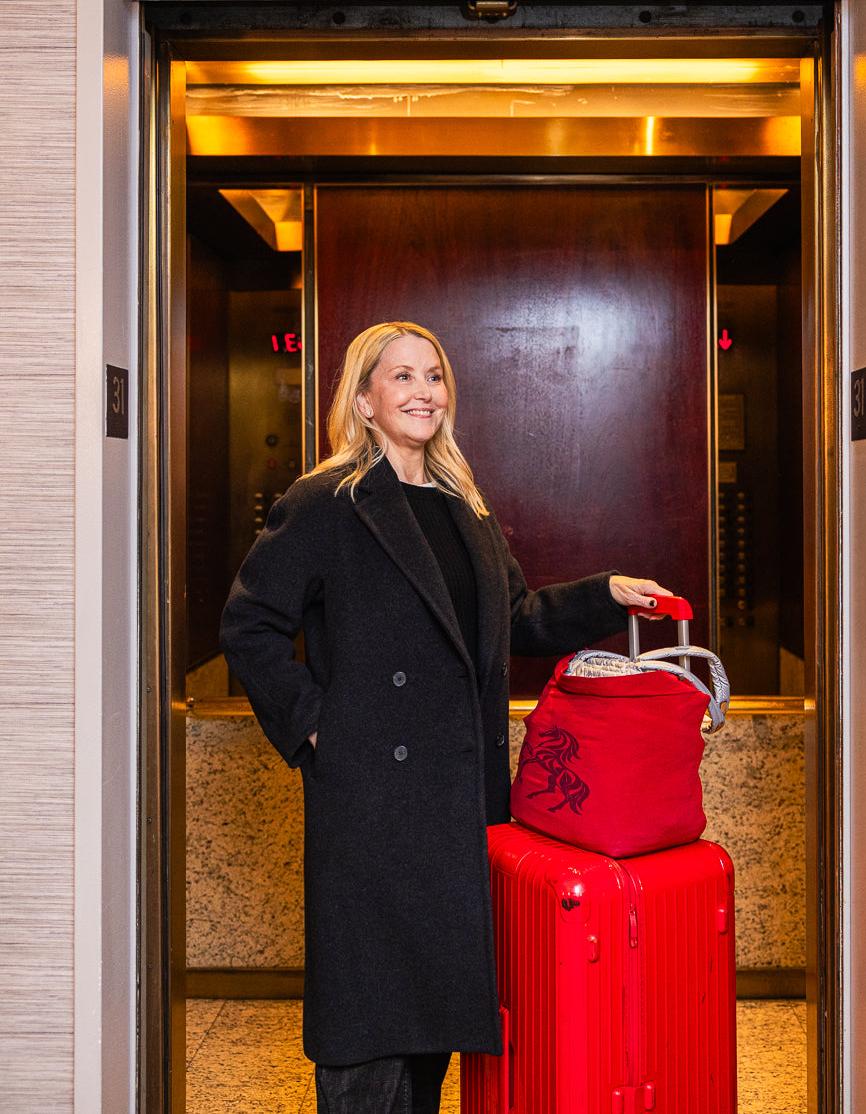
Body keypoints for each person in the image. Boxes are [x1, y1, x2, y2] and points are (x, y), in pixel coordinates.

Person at [220, 321, 673, 1114]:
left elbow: (519, 619)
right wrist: (317, 729)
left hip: (460, 803)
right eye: (401, 378)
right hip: (372, 800)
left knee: (430, 1025)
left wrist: (602, 595)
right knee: (367, 1029)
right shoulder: (326, 502)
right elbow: (249, 626)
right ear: (363, 399)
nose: (423, 391)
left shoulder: (464, 505)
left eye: (433, 376)